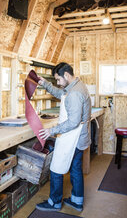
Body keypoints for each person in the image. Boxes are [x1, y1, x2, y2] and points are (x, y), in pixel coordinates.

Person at [36, 62, 91, 212]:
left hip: (73, 137)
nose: (58, 83)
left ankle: (54, 202)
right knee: (75, 169)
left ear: (66, 75)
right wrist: (44, 83)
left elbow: (73, 122)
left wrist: (52, 130)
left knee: (56, 167)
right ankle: (76, 201)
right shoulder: (75, 86)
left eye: (58, 80)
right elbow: (60, 94)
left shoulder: (74, 93)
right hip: (80, 138)